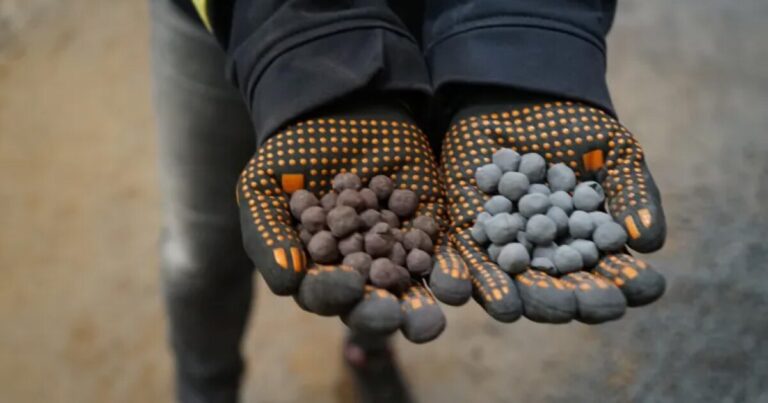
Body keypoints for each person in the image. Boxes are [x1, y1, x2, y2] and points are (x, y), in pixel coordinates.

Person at [150, 1, 667, 402]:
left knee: (397, 267)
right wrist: (298, 46)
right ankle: (205, 389)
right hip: (226, 16)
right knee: (203, 255)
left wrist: (520, 38)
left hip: (434, 20)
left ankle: (368, 351)